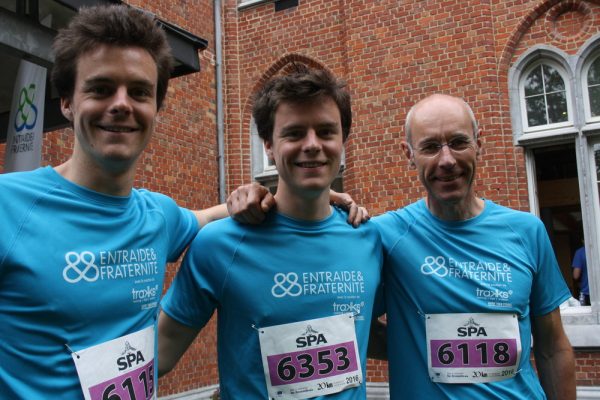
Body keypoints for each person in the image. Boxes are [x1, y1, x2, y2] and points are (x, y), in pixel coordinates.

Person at [230, 94, 576, 399]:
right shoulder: (381, 236)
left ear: (479, 144)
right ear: (409, 155)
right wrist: (258, 197)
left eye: (458, 142)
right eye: (430, 147)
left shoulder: (526, 231)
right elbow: (341, 312)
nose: (446, 160)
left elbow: (552, 347)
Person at [0, 5, 230, 399]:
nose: (122, 104)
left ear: (156, 108)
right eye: (101, 88)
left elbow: (210, 217)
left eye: (139, 92)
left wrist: (290, 196)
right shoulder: (7, 206)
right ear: (67, 102)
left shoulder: (158, 215)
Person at [158, 67, 383, 399]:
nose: (312, 145)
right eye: (294, 134)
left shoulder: (370, 238)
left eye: (325, 131)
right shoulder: (219, 245)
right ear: (268, 146)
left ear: (343, 140)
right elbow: (158, 355)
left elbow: (372, 332)